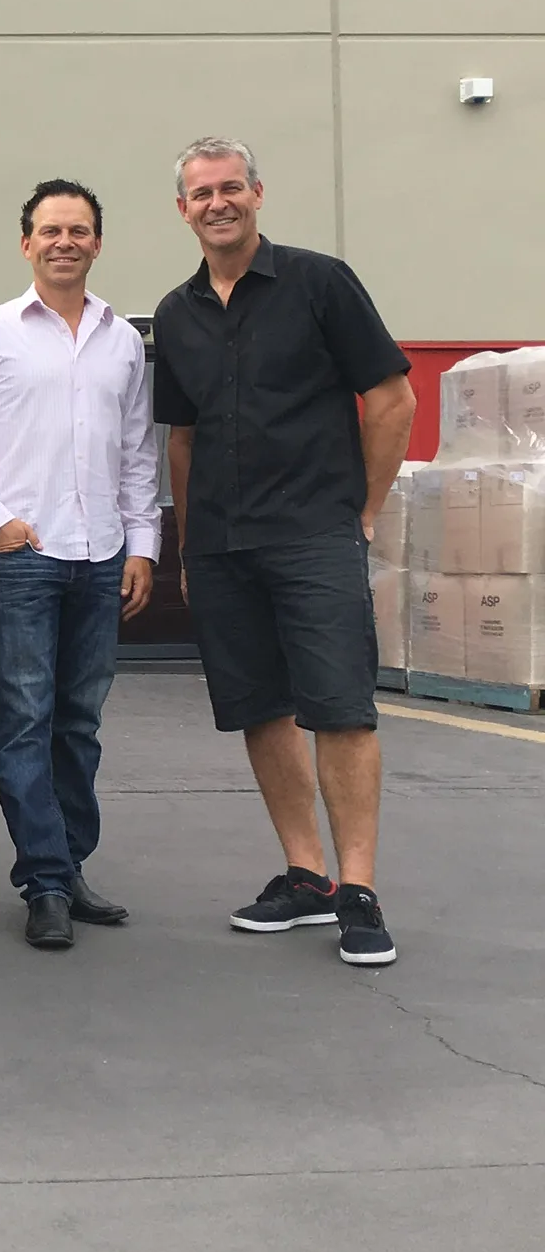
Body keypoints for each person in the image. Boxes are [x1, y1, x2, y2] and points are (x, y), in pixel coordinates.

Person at [154, 137, 414, 967]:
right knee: (260, 709)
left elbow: (392, 398)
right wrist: (190, 545)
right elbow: (183, 435)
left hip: (313, 535)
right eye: (202, 192)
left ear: (258, 194)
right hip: (225, 546)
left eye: (232, 187)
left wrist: (362, 513)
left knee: (340, 707)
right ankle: (307, 877)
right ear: (183, 209)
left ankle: (360, 890)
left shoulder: (319, 283)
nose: (218, 202)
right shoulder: (175, 313)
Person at [0, 180, 160, 949]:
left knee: (80, 724)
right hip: (24, 558)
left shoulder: (122, 341)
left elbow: (137, 454)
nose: (65, 241)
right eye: (50, 229)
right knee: (25, 723)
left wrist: (144, 546)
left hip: (100, 557)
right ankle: (44, 881)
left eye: (80, 230)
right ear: (26, 242)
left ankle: (68, 865)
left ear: (98, 242)